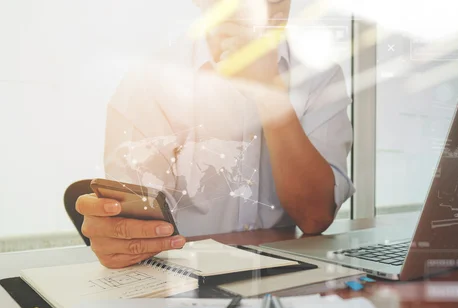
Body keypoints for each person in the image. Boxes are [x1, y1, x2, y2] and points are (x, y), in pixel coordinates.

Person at [76, 0, 354, 268]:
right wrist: (117, 236)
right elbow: (134, 222)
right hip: (183, 276)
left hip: (284, 273)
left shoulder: (320, 78)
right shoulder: (149, 82)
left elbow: (315, 217)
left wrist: (271, 94)